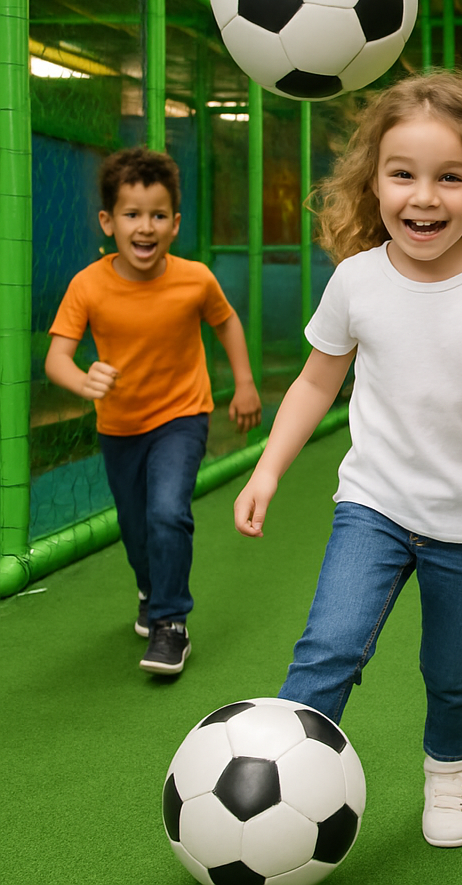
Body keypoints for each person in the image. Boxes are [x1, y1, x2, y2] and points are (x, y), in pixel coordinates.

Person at [233, 71, 462, 849]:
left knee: (453, 674)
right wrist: (267, 470)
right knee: (328, 647)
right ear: (373, 182)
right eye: (403, 175)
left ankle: (450, 775)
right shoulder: (357, 281)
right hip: (375, 505)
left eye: (449, 177)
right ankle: (280, 776)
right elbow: (317, 381)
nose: (424, 197)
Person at [46, 146, 262, 676]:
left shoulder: (195, 279)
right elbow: (58, 359)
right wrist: (83, 378)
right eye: (132, 214)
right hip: (119, 426)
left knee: (168, 511)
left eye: (158, 215)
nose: (146, 227)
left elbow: (226, 322)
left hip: (183, 417)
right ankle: (150, 587)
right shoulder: (87, 285)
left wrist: (245, 384)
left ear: (175, 223)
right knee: (136, 525)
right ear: (108, 221)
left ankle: (171, 624)